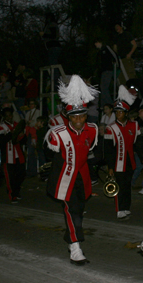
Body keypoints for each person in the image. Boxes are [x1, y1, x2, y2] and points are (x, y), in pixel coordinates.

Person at [45, 75, 100, 265]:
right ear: (68, 117)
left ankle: (71, 237)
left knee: (79, 210)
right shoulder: (57, 134)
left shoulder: (92, 130)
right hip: (64, 179)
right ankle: (75, 247)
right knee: (72, 211)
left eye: (82, 115)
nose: (79, 119)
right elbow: (50, 154)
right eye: (74, 116)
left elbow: (89, 152)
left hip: (82, 178)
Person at [104, 86, 143, 219]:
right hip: (117, 163)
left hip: (130, 162)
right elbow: (108, 150)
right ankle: (120, 209)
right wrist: (110, 166)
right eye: (116, 112)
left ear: (126, 113)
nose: (118, 114)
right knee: (119, 185)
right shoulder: (110, 128)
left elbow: (139, 144)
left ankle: (126, 208)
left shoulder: (134, 126)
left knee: (127, 185)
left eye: (121, 112)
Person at [0, 107, 26, 203]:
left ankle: (16, 192)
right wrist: (11, 133)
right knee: (10, 177)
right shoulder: (1, 127)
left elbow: (24, 140)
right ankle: (12, 195)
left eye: (10, 115)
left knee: (21, 174)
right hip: (8, 156)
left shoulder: (17, 125)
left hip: (19, 154)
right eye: (7, 116)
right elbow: (1, 141)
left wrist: (21, 135)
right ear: (4, 117)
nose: (9, 117)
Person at [95, 38, 120, 109]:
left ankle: (109, 103)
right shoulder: (100, 52)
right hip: (103, 71)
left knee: (104, 87)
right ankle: (104, 104)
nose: (95, 45)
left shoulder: (106, 48)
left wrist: (117, 65)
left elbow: (114, 55)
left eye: (96, 43)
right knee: (102, 87)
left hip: (108, 70)